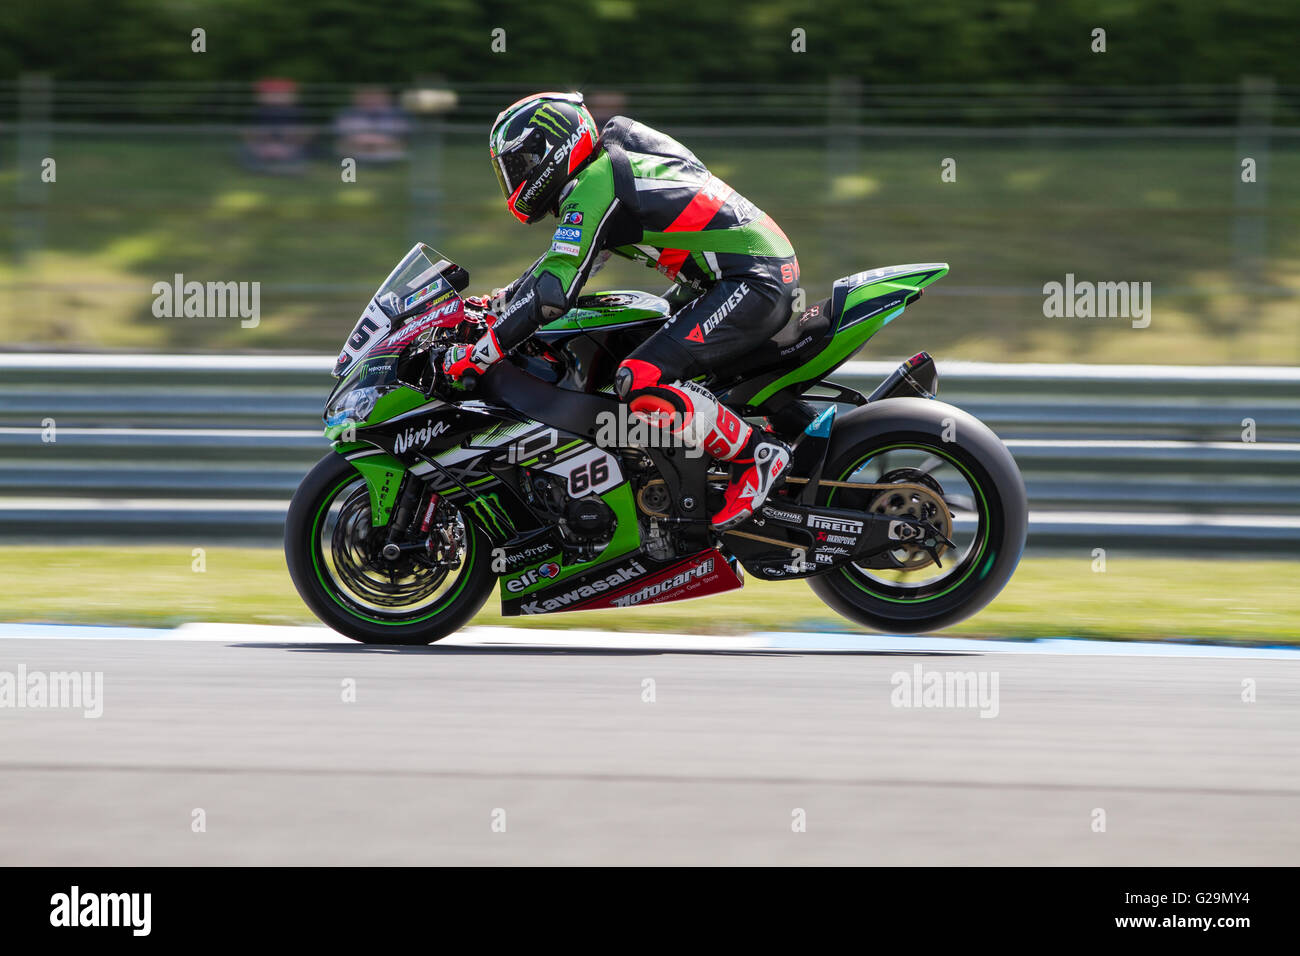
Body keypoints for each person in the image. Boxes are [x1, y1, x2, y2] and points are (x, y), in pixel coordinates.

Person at [442, 92, 799, 531]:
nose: (517, 179)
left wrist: (482, 351)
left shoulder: (596, 183)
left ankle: (756, 454)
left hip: (752, 282)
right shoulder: (604, 169)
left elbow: (554, 292)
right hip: (732, 279)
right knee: (623, 348)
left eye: (522, 165)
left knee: (640, 377)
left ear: (554, 148)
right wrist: (496, 303)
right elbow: (567, 261)